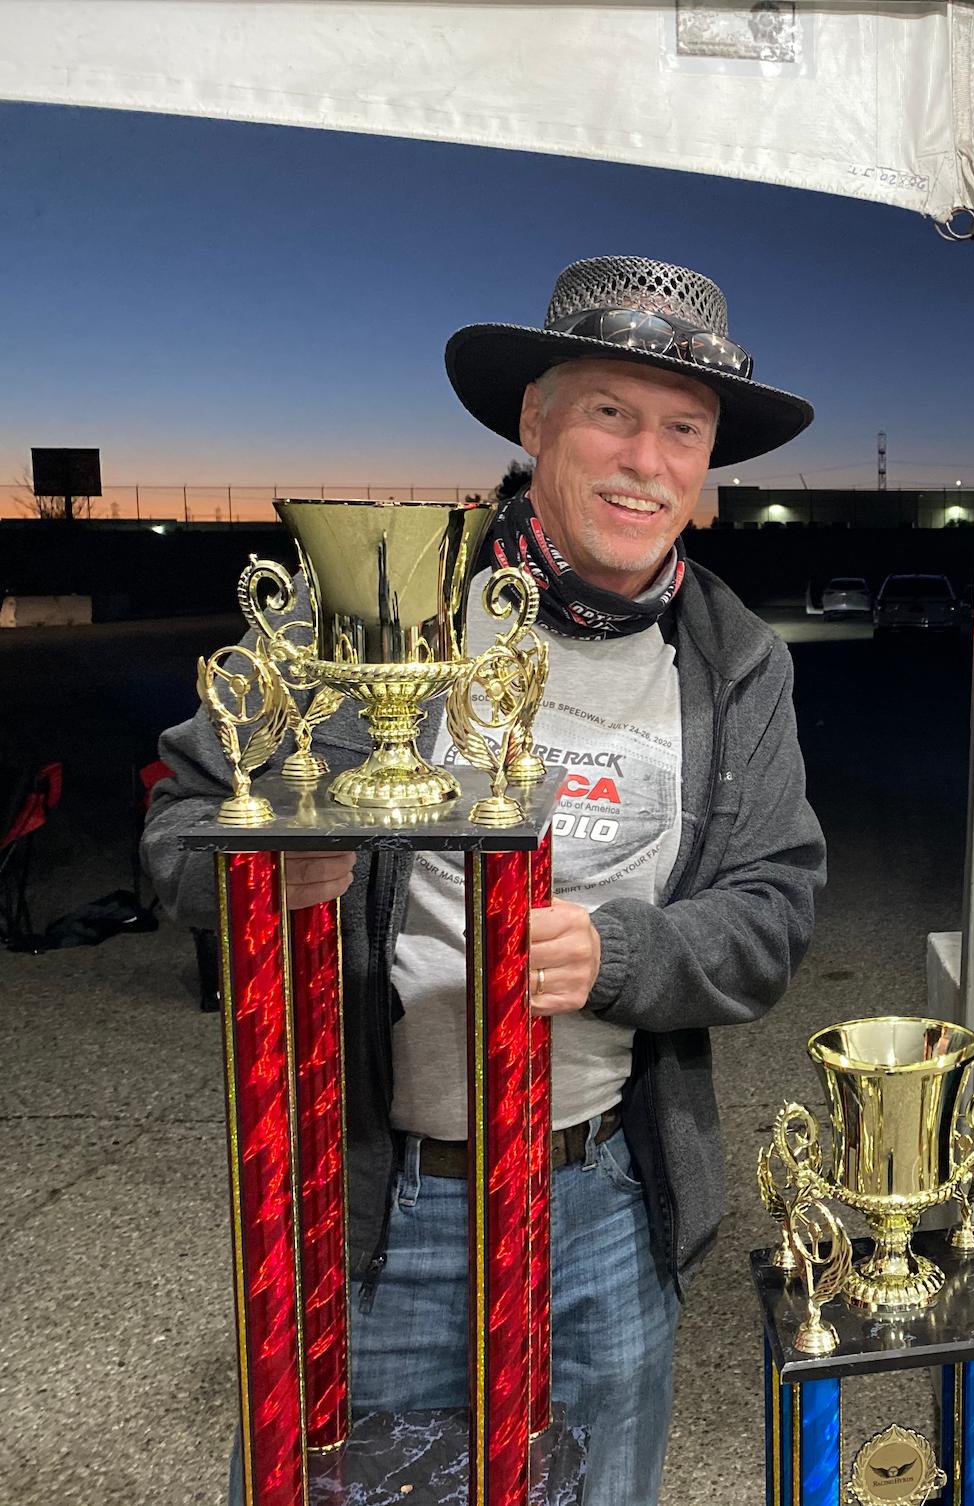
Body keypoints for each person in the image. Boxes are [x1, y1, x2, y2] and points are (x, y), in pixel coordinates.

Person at [142, 255, 825, 1506]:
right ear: (534, 423)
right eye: (610, 413)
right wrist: (269, 878)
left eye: (684, 429)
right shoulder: (369, 603)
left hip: (609, 1202)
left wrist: (616, 957)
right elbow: (181, 831)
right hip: (374, 1211)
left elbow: (773, 913)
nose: (646, 460)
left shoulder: (733, 657)